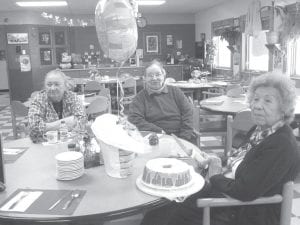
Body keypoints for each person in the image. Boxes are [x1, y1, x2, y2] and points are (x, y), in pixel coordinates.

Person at [141, 72, 300, 225]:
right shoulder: (261, 130)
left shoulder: (281, 144)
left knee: (161, 216)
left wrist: (214, 176)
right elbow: (241, 158)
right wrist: (217, 160)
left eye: (268, 101)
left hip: (242, 213)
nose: (257, 106)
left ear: (283, 108)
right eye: (256, 99)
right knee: (164, 207)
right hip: (229, 195)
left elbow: (245, 191)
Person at [128, 59, 193, 142]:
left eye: (158, 74)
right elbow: (134, 119)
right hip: (154, 138)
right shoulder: (140, 98)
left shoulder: (176, 92)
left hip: (181, 137)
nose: (154, 78)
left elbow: (188, 114)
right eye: (150, 75)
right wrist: (158, 131)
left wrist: (184, 138)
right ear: (145, 78)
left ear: (164, 75)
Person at [28, 69, 87, 143]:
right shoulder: (38, 99)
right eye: (49, 85)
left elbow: (82, 120)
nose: (52, 88)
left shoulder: (72, 97)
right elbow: (34, 127)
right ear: (45, 86)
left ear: (65, 86)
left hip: (70, 143)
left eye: (57, 84)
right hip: (45, 144)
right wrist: (65, 123)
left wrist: (47, 127)